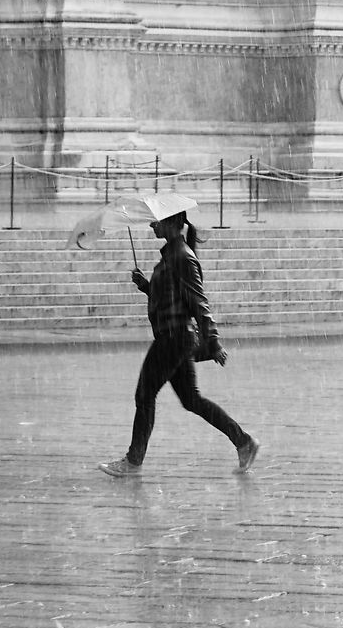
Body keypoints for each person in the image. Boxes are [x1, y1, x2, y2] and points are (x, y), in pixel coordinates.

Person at [101, 195, 259, 479]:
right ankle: (244, 441)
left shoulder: (183, 257)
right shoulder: (172, 255)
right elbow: (172, 299)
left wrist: (213, 342)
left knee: (144, 395)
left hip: (173, 338)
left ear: (173, 223)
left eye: (157, 221)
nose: (151, 225)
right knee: (191, 400)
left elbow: (199, 303)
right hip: (174, 336)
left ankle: (133, 461)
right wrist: (147, 287)